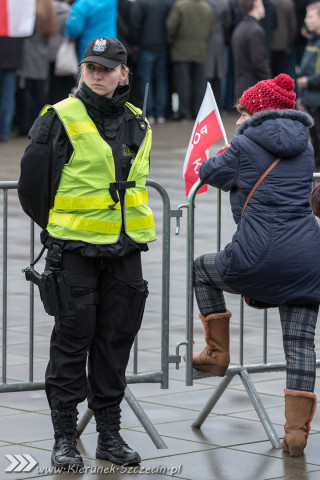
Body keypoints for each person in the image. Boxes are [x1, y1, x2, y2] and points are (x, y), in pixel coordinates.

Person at [18, 37, 155, 470]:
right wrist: (62, 227)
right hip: (74, 247)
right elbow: (32, 188)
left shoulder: (139, 121)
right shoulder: (58, 118)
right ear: (82, 70)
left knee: (116, 340)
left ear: (123, 74)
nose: (97, 75)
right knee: (73, 341)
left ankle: (109, 437)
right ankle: (63, 438)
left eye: (106, 68)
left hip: (125, 247)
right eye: (90, 67)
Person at [191, 73, 319, 458]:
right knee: (300, 345)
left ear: (254, 112)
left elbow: (209, 172)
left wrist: (232, 145)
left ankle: (217, 354)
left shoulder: (245, 142)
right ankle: (296, 435)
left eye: (241, 111)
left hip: (255, 255)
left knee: (201, 269)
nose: (236, 118)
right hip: (307, 259)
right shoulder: (307, 145)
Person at [165, 0, 213, 121]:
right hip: (200, 50)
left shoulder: (180, 6)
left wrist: (171, 40)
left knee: (183, 83)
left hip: (181, 50)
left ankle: (184, 112)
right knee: (198, 83)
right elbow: (211, 29)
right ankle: (198, 112)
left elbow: (171, 26)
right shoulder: (207, 8)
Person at [131, 0, 174, 124]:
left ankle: (149, 113)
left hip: (145, 46)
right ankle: (160, 113)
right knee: (161, 80)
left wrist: (135, 42)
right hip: (162, 46)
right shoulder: (165, 3)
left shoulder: (140, 3)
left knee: (146, 80)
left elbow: (135, 24)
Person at [297, 1, 320, 172]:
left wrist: (308, 82)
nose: (306, 20)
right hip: (311, 99)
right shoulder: (312, 40)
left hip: (317, 100)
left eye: (310, 16)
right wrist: (302, 97)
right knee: (315, 140)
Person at [232, 0, 271, 100]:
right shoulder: (255, 31)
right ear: (256, 4)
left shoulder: (240, 28)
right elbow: (259, 62)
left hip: (241, 87)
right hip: (254, 90)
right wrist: (270, 84)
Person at [0, 37, 24, 141]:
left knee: (8, 97)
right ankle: (4, 132)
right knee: (8, 97)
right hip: (12, 59)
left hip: (10, 59)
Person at [271, 0, 297, 76]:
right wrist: (289, 44)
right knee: (281, 75)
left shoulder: (269, 3)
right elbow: (292, 25)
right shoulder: (288, 3)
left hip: (270, 44)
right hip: (283, 44)